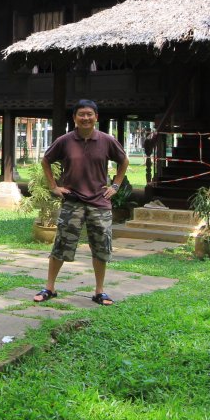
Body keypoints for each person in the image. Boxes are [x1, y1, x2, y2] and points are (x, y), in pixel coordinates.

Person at [34, 99, 129, 306]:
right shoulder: (65, 141)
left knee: (101, 247)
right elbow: (46, 160)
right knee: (61, 245)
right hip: (72, 202)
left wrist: (115, 186)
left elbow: (123, 160)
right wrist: (53, 186)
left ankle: (99, 291)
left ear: (96, 117)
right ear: (75, 118)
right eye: (81, 114)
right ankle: (49, 287)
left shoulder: (106, 140)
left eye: (89, 114)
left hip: (99, 203)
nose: (85, 118)